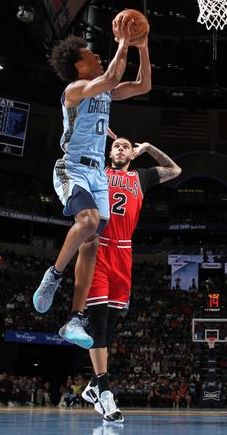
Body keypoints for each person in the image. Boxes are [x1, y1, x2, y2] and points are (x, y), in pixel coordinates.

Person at [33, 18, 152, 349]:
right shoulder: (73, 90)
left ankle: (74, 319)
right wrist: (124, 41)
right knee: (85, 221)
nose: (97, 57)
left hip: (98, 174)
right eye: (90, 55)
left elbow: (143, 85)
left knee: (91, 244)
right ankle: (54, 276)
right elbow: (112, 75)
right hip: (72, 168)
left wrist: (142, 46)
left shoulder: (106, 90)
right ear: (77, 65)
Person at [77, 137, 181, 422]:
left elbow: (175, 170)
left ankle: (93, 387)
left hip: (123, 252)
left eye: (125, 146)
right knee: (98, 323)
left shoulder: (141, 176)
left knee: (108, 328)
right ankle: (105, 392)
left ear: (131, 154)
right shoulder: (98, 170)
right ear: (109, 152)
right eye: (116, 146)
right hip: (98, 247)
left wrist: (148, 148)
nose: (120, 148)